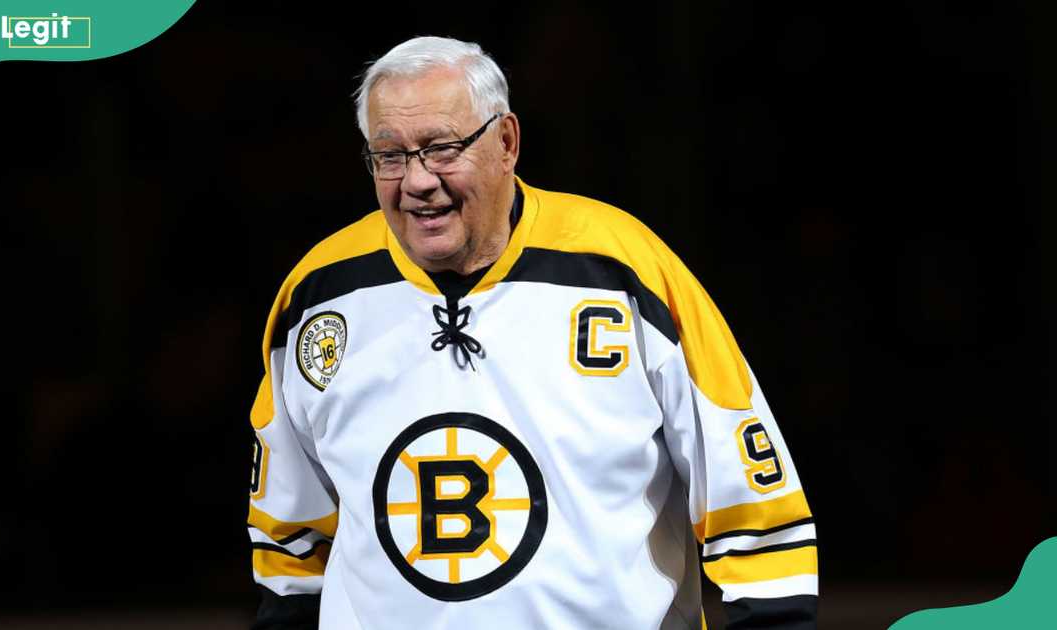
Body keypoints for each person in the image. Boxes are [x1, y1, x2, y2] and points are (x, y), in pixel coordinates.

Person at [246, 36, 817, 630]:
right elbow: (288, 540)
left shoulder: (623, 271)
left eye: (442, 149)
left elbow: (754, 505)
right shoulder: (317, 295)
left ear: (507, 143)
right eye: (390, 155)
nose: (416, 181)